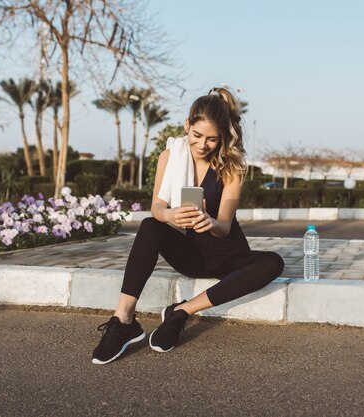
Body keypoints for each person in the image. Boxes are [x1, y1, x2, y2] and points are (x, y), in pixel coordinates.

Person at [92, 87, 285, 364]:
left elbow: (225, 227)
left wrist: (210, 222)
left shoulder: (232, 168)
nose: (202, 145)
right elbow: (157, 207)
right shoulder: (169, 157)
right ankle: (123, 320)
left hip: (228, 256)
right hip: (192, 255)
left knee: (273, 262)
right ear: (187, 126)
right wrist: (169, 216)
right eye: (196, 136)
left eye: (212, 139)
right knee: (149, 225)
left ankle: (181, 312)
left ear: (222, 138)